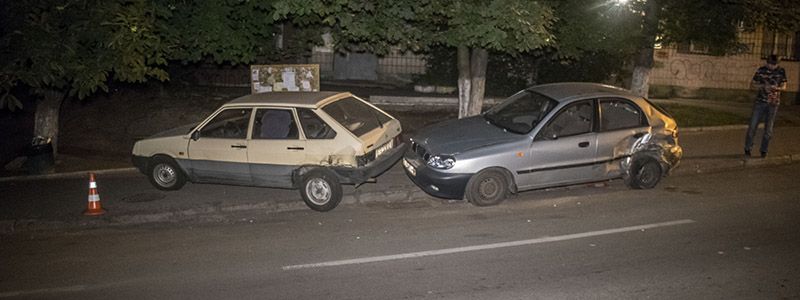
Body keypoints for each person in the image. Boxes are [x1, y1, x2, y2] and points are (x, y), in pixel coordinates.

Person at [744, 54, 787, 158]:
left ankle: (764, 150)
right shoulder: (761, 70)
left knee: (768, 129)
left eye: (774, 64)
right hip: (760, 102)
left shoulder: (781, 71)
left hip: (773, 103)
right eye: (769, 64)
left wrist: (777, 88)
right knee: (752, 126)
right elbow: (752, 85)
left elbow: (784, 86)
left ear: (777, 64)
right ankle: (748, 148)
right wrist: (763, 86)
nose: (771, 66)